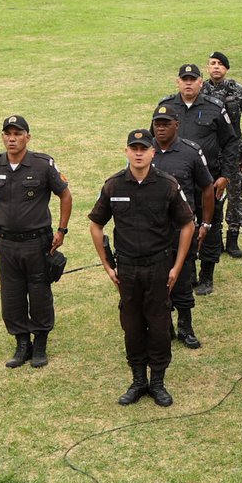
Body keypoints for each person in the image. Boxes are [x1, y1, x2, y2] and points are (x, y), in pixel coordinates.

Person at [86, 129, 195, 408]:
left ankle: (157, 382)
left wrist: (177, 266)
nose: (138, 153)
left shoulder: (167, 185)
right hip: (128, 269)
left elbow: (187, 224)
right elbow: (96, 225)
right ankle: (138, 380)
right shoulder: (114, 186)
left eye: (143, 148)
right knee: (132, 325)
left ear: (152, 153)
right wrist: (108, 266)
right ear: (126, 152)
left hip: (159, 267)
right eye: (133, 148)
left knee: (159, 325)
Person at [0, 114, 72, 370]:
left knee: (40, 293)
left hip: (37, 242)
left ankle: (40, 343)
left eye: (18, 133)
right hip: (6, 243)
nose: (12, 138)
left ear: (27, 137)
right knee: (11, 295)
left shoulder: (42, 165)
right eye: (8, 133)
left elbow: (65, 195)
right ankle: (22, 344)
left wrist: (61, 230)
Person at [158, 63, 242, 296]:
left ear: (200, 83)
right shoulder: (165, 108)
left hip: (208, 181)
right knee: (177, 227)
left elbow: (231, 142)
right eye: (184, 79)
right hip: (175, 183)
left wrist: (225, 175)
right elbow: (153, 143)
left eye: (192, 79)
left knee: (211, 226)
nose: (188, 83)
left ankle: (207, 275)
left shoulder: (215, 108)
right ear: (177, 82)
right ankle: (187, 272)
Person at [150, 104, 214, 351]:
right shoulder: (144, 152)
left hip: (182, 228)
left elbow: (207, 187)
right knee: (157, 279)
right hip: (153, 230)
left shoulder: (190, 152)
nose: (161, 128)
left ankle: (185, 326)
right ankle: (164, 325)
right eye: (157, 123)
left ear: (177, 124)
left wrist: (205, 222)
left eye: (166, 123)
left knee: (184, 275)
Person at [202, 51, 242, 260]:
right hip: (207, 153)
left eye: (220, 64)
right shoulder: (200, 90)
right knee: (210, 194)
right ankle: (213, 239)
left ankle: (233, 237)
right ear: (208, 68)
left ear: (226, 69)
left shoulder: (238, 91)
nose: (216, 67)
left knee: (236, 193)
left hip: (233, 152)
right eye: (212, 64)